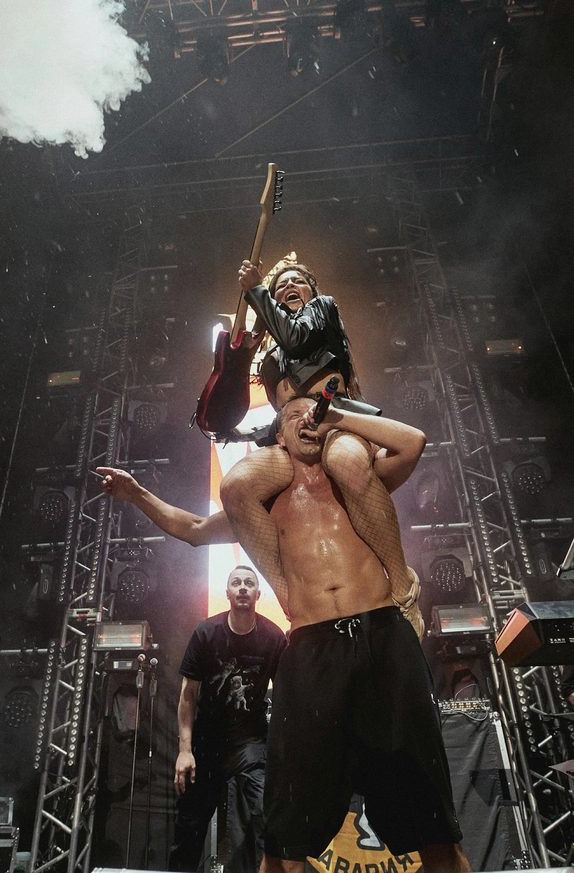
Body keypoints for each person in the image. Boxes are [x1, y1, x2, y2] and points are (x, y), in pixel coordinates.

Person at [99, 401, 471, 872]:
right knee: (284, 841)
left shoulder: (358, 482)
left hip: (381, 632)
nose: (307, 418)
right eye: (294, 415)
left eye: (315, 412)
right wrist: (135, 494)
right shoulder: (265, 507)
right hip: (313, 646)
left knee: (435, 829)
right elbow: (191, 529)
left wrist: (338, 417)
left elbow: (412, 442)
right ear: (278, 438)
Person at [226, 260, 423, 636]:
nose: (289, 286)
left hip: (334, 420)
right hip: (294, 436)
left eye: (298, 281)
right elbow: (283, 411)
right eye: (281, 285)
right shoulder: (273, 354)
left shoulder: (321, 310)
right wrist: (241, 432)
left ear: (312, 290)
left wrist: (257, 291)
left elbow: (296, 339)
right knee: (235, 486)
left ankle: (403, 588)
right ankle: (291, 602)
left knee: (347, 462)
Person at [168, 564, 286, 873]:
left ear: (258, 594)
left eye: (249, 583)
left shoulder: (273, 637)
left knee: (265, 814)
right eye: (236, 583)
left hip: (250, 740)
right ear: (228, 593)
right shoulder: (206, 633)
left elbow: (287, 695)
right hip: (207, 740)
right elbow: (188, 695)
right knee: (189, 825)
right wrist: (184, 750)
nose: (243, 587)